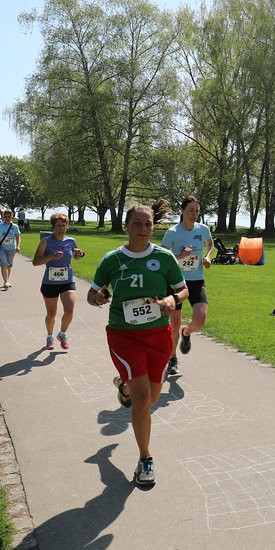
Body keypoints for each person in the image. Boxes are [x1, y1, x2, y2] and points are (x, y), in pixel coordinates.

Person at [87, 201, 186, 487]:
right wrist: (100, 297)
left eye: (147, 224)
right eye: (137, 224)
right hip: (124, 336)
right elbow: (92, 295)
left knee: (151, 397)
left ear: (153, 227)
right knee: (143, 400)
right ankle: (145, 459)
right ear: (127, 226)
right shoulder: (112, 259)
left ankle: (124, 386)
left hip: (158, 336)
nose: (142, 229)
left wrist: (172, 299)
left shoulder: (165, 258)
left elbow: (183, 290)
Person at [160, 195, 213, 376]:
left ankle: (187, 332)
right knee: (174, 325)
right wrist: (180, 257)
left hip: (197, 280)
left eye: (197, 211)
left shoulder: (203, 229)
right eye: (191, 210)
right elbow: (164, 259)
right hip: (176, 282)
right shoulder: (173, 232)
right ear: (182, 211)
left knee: (200, 320)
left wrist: (207, 256)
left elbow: (210, 242)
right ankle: (172, 358)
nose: (194, 214)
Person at [32, 213, 84, 349]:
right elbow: (35, 262)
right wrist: (52, 256)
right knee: (52, 313)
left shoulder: (71, 241)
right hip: (50, 283)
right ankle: (49, 336)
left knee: (69, 310)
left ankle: (62, 334)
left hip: (67, 281)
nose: (61, 229)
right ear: (53, 227)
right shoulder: (46, 242)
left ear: (66, 226)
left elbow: (76, 257)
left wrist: (79, 254)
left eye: (63, 225)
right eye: (58, 226)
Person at [0, 209, 21, 289]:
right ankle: (5, 281)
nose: (7, 218)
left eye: (9, 216)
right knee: (4, 264)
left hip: (12, 248)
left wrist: (18, 246)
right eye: (5, 217)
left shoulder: (15, 227)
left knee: (9, 265)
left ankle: (7, 280)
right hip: (1, 248)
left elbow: (18, 237)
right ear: (3, 217)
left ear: (11, 217)